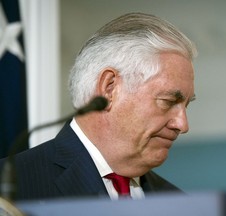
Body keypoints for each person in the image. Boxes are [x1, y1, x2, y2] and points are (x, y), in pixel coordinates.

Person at [0, 12, 197, 200]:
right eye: (168, 102)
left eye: (186, 106)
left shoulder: (180, 204)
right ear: (109, 88)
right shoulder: (12, 187)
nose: (183, 125)